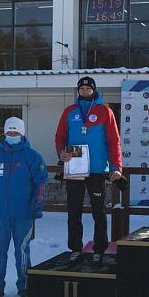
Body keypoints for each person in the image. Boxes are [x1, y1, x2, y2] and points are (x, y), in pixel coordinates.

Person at [55, 76, 122, 268]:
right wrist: (61, 153)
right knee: (74, 211)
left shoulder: (105, 111)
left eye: (88, 88)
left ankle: (99, 249)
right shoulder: (70, 111)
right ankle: (75, 249)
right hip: (75, 170)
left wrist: (116, 167)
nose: (84, 91)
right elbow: (60, 136)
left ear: (94, 90)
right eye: (81, 88)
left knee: (98, 212)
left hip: (97, 169)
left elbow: (114, 141)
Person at [0, 117, 48, 297]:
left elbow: (41, 183)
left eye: (15, 133)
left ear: (22, 134)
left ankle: (25, 286)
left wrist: (37, 205)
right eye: (9, 132)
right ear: (4, 133)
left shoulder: (33, 156)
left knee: (22, 251)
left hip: (23, 213)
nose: (12, 135)